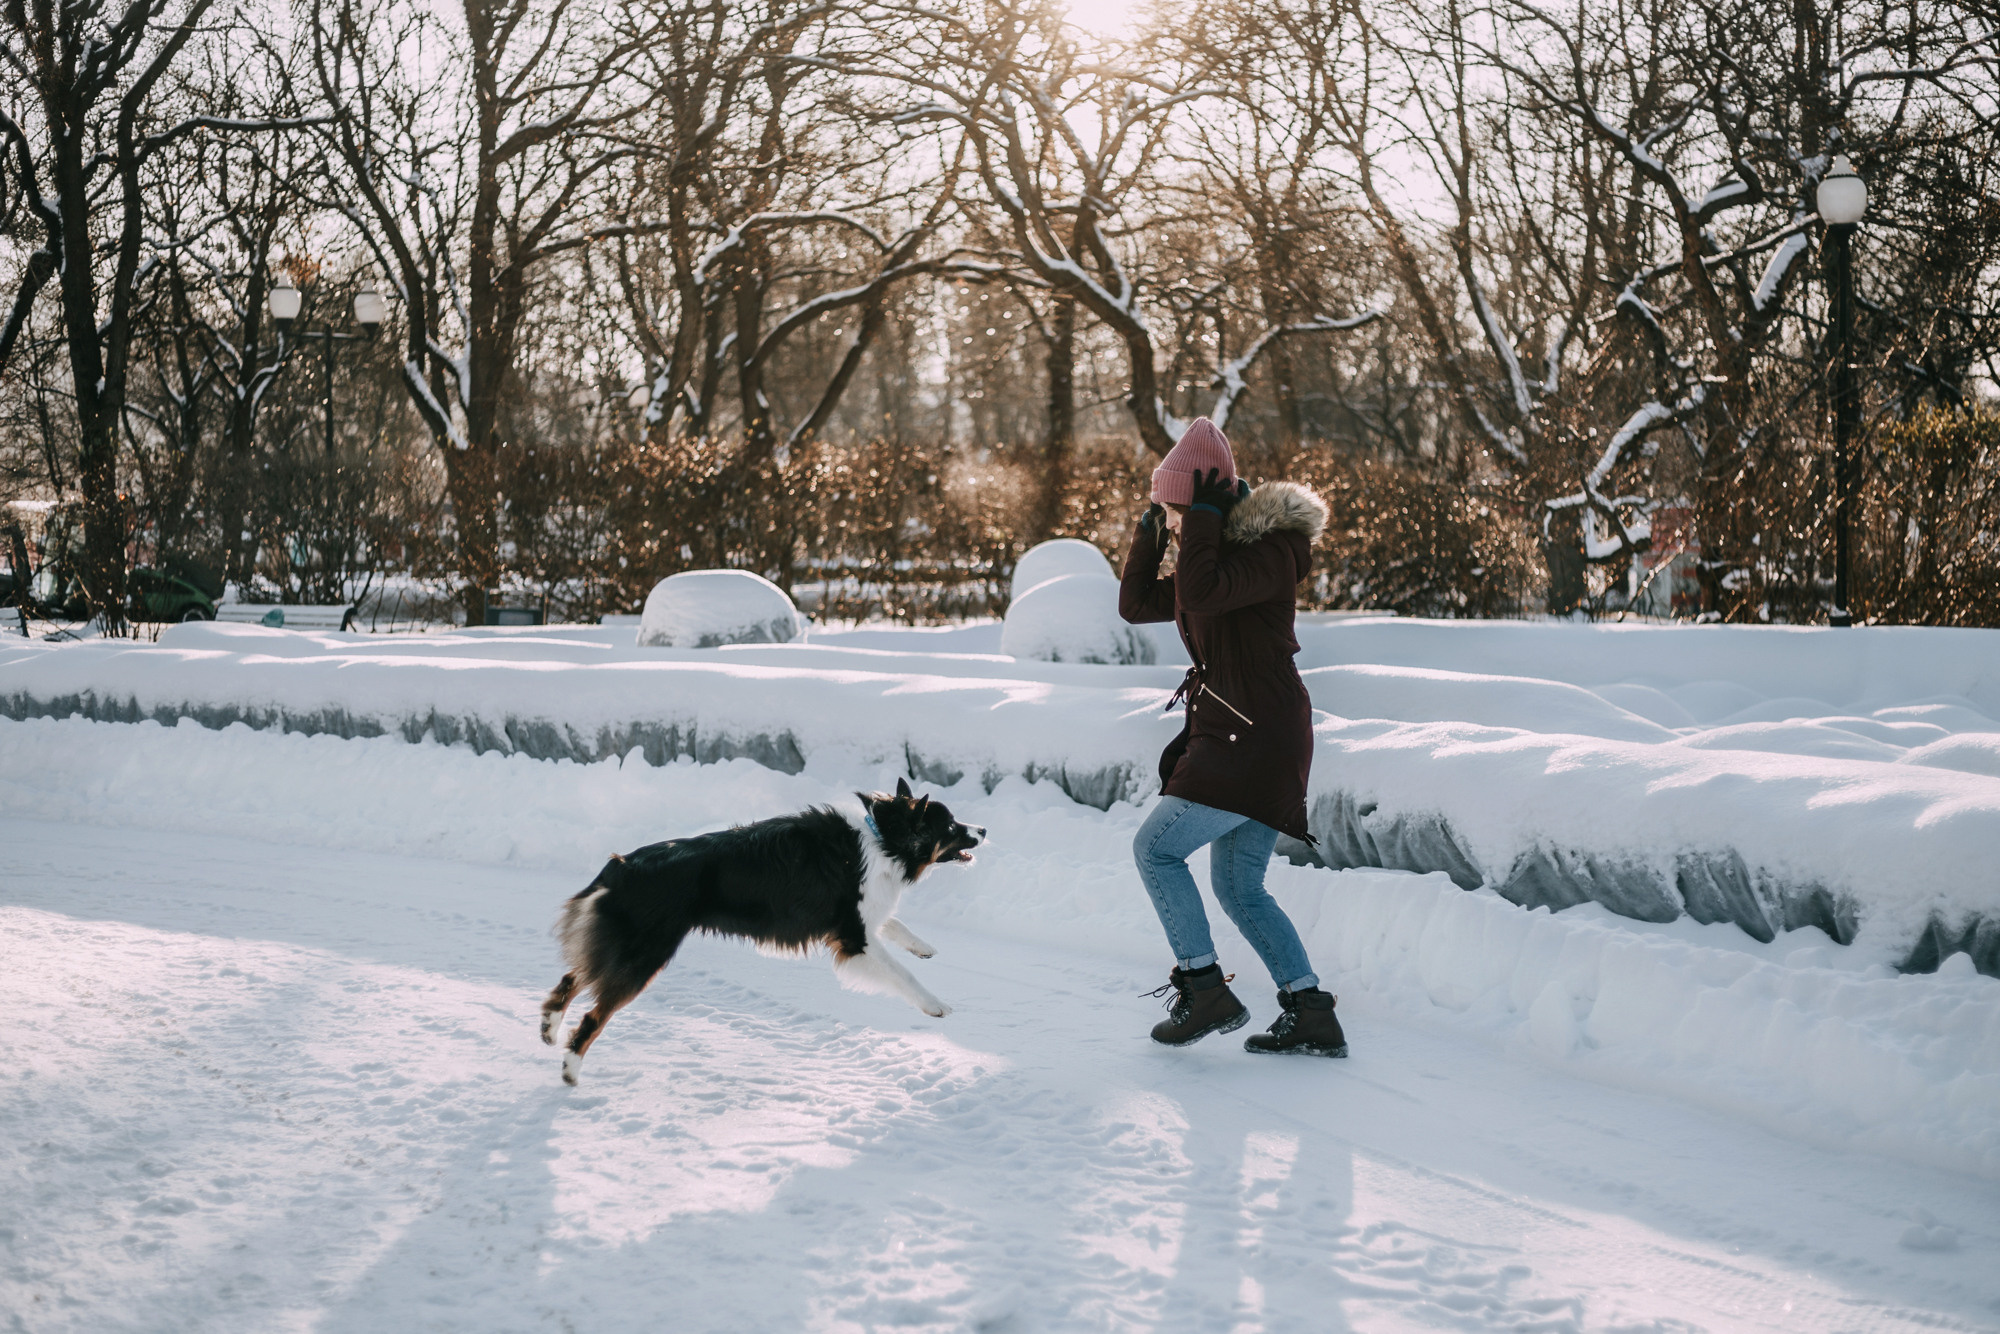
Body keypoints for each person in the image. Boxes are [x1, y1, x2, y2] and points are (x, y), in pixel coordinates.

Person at [1118, 417, 1347, 1058]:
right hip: (1239, 730)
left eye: (1176, 504)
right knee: (1240, 888)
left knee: (1156, 850)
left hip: (1257, 736)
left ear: (1207, 505)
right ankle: (1308, 1010)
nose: (1173, 515)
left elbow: (1201, 590)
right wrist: (1150, 538)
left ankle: (1203, 987)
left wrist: (1201, 524)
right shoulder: (1213, 556)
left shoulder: (1270, 552)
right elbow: (1139, 606)